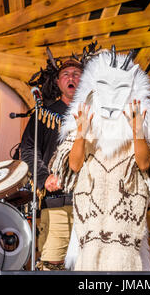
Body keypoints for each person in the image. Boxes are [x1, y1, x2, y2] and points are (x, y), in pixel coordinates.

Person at [48, 46, 150, 271]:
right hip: (91, 220)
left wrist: (138, 131)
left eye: (119, 87)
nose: (111, 95)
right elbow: (74, 164)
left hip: (125, 222)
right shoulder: (85, 121)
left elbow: (144, 164)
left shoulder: (137, 121)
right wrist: (81, 132)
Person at [20, 44, 96, 271]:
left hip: (91, 201)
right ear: (58, 82)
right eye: (66, 74)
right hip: (57, 200)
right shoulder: (44, 114)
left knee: (89, 263)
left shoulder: (98, 112)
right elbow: (28, 150)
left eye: (76, 74)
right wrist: (44, 178)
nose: (71, 77)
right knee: (53, 260)